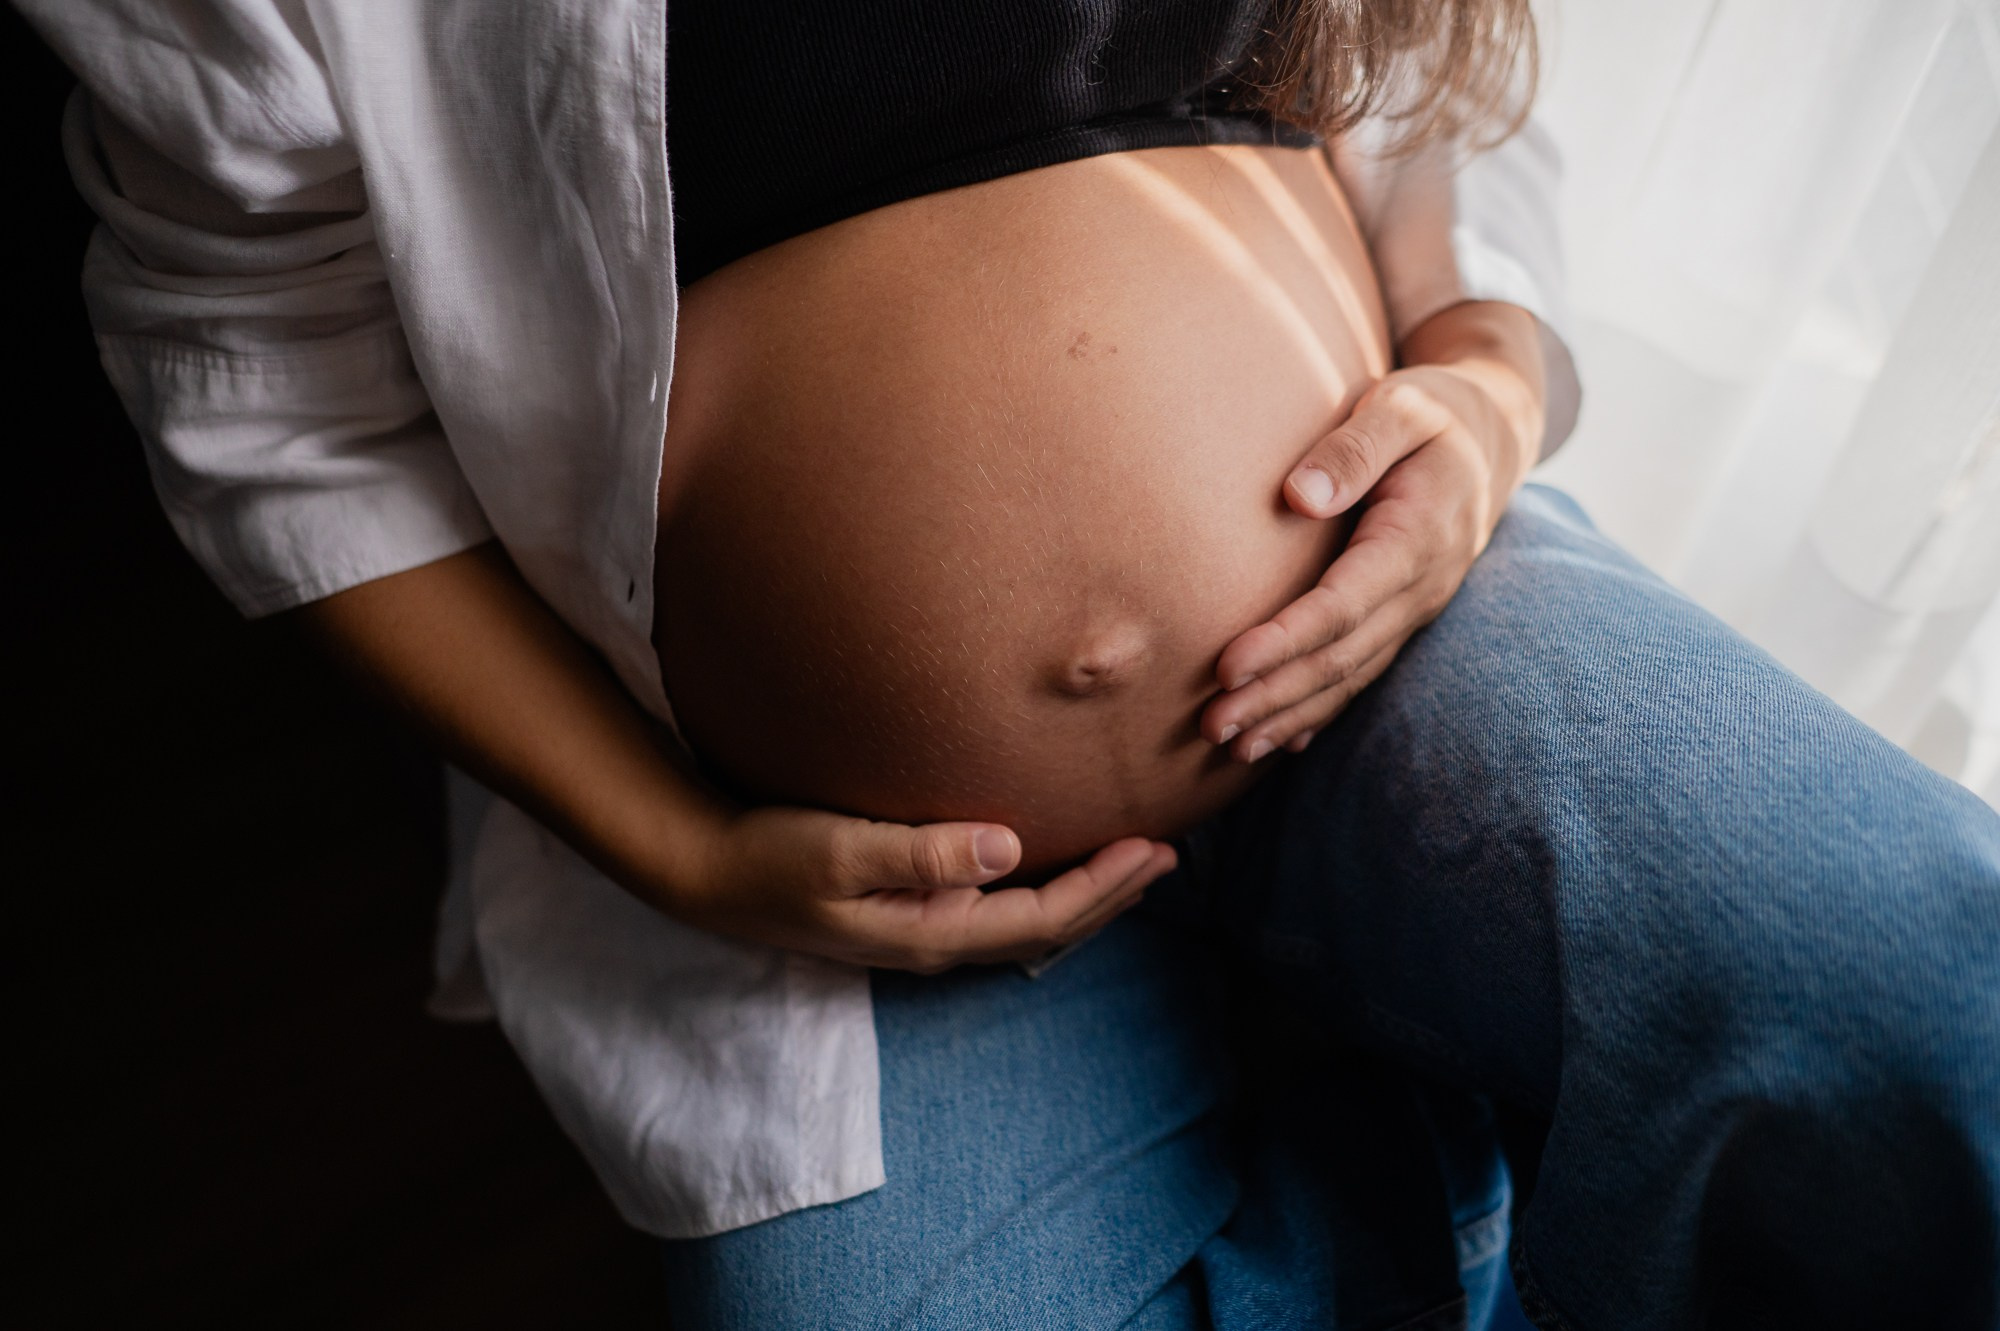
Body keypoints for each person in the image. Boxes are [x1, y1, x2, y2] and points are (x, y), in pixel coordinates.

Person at [23, 1, 2000, 1327]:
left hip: (1414, 632)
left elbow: (1424, 125)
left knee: (1907, 991)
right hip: (824, 857)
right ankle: (1397, 1101)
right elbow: (262, 386)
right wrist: (679, 851)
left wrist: (1485, 387)